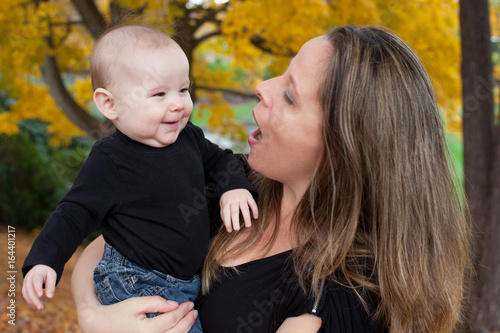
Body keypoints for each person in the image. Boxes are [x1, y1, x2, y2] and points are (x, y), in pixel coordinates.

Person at [71, 25, 471, 332]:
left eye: (291, 96)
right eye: (282, 74)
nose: (262, 88)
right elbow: (109, 247)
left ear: (343, 147)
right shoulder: (233, 186)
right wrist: (93, 317)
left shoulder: (342, 298)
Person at [21, 24, 259, 333]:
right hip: (136, 281)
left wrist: (234, 188)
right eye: (159, 93)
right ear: (110, 104)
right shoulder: (111, 160)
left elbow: (223, 159)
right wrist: (44, 260)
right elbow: (74, 213)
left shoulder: (190, 138)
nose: (177, 103)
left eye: (183, 89)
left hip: (187, 282)